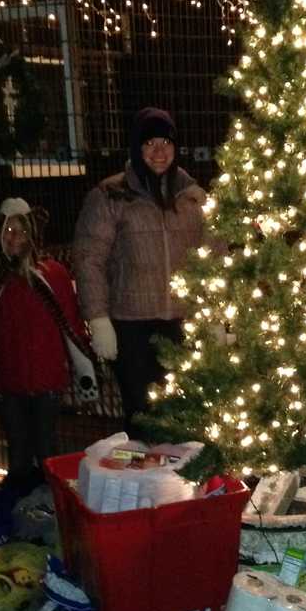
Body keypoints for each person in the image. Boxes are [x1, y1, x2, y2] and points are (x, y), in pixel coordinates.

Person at [0, 198, 98, 493]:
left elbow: (71, 324)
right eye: (8, 231)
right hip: (4, 380)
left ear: (32, 234)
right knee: (17, 452)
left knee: (47, 448)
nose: (15, 238)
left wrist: (83, 366)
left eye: (21, 230)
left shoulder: (53, 274)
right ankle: (19, 510)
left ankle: (54, 509)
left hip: (47, 379)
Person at [72, 107, 205, 431]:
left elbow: (212, 258)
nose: (159, 152)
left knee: (182, 415)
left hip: (180, 324)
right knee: (143, 416)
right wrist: (99, 320)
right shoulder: (110, 195)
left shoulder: (193, 197)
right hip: (132, 327)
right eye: (149, 144)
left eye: (166, 142)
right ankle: (144, 480)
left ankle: (177, 481)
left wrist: (213, 316)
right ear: (136, 147)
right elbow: (89, 258)